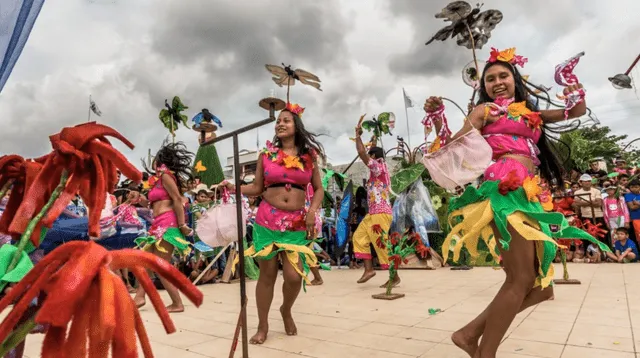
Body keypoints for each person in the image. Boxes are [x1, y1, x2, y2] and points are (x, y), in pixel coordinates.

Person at [424, 48, 608, 357]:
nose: (497, 82)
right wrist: (438, 117)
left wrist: (571, 82)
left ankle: (469, 334)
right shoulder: (484, 111)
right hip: (504, 190)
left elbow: (574, 112)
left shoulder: (530, 113)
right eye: (490, 78)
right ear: (484, 86)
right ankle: (485, 352)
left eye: (503, 76)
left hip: (531, 193)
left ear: (514, 79)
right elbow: (457, 142)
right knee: (521, 278)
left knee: (542, 287)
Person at [225, 102, 324, 345]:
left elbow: (319, 189)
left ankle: (286, 310)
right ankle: (262, 325)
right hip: (267, 220)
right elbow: (257, 188)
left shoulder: (309, 157)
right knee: (266, 275)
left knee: (293, 276)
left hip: (297, 224)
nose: (280, 123)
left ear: (296, 126)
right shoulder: (266, 155)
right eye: (278, 120)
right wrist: (234, 186)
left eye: (286, 120)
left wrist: (312, 210)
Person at [134, 141, 194, 313]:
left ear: (160, 160)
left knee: (160, 265)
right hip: (157, 223)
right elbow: (154, 203)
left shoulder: (166, 176)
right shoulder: (158, 180)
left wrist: (182, 225)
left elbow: (177, 200)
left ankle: (176, 303)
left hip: (168, 223)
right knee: (147, 260)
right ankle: (140, 296)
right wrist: (140, 199)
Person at [352, 118, 400, 287]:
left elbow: (362, 154)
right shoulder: (377, 169)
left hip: (381, 213)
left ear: (374, 157)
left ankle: (394, 277)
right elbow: (367, 153)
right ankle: (369, 270)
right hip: (373, 213)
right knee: (359, 237)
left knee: (380, 244)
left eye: (370, 155)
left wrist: (357, 137)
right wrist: (372, 140)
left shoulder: (379, 167)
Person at [573, 174, 607, 248]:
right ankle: (589, 254)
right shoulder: (577, 193)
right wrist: (592, 202)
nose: (587, 183)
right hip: (585, 216)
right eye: (585, 181)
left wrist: (583, 203)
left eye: (589, 181)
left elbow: (598, 203)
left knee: (601, 236)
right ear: (581, 183)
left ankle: (604, 253)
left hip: (598, 215)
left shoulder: (596, 191)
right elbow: (577, 204)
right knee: (587, 236)